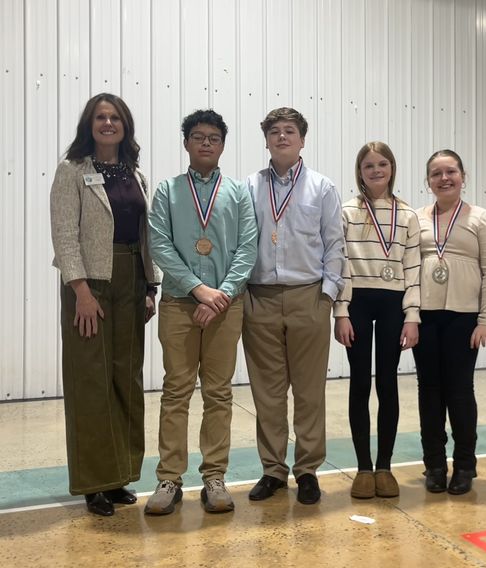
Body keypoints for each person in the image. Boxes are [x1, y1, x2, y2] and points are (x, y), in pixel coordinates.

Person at [50, 93, 159, 516]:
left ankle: (118, 477)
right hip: (90, 285)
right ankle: (94, 483)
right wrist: (81, 291)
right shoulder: (72, 172)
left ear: (125, 126)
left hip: (132, 280)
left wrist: (150, 287)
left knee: (125, 379)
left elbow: (145, 236)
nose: (108, 123)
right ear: (89, 125)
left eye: (115, 118)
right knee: (90, 382)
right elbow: (64, 235)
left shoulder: (136, 175)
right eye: (101, 117)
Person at [145, 110, 258, 515]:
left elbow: (248, 247)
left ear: (223, 145)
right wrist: (199, 290)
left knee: (218, 392)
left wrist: (222, 295)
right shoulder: (167, 191)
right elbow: (159, 244)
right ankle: (169, 479)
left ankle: (214, 477)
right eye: (198, 136)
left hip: (227, 307)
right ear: (186, 143)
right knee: (176, 390)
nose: (206, 143)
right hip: (179, 303)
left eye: (213, 137)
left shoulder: (238, 193)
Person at [243, 107, 345, 505]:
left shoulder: (321, 188)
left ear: (303, 140)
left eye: (290, 131)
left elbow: (335, 242)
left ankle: (307, 471)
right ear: (266, 139)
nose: (282, 137)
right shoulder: (248, 186)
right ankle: (272, 470)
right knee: (267, 393)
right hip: (260, 297)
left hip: (309, 296)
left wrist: (328, 296)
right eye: (274, 131)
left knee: (308, 391)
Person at [413, 149, 486, 495]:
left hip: (464, 317)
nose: (444, 178)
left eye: (451, 171)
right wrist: (411, 315)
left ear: (463, 177)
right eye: (436, 173)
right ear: (428, 181)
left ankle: (465, 464)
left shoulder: (480, 218)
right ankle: (434, 464)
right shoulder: (417, 218)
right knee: (428, 391)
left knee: (460, 391)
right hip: (425, 317)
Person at [334, 142, 421, 499]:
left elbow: (413, 269)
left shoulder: (408, 215)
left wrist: (412, 315)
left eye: (382, 164)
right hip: (357, 303)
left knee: (387, 383)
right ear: (360, 171)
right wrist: (341, 311)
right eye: (368, 165)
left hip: (392, 304)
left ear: (392, 168)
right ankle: (363, 468)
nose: (375, 170)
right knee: (359, 383)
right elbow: (340, 262)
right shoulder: (347, 212)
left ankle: (384, 466)